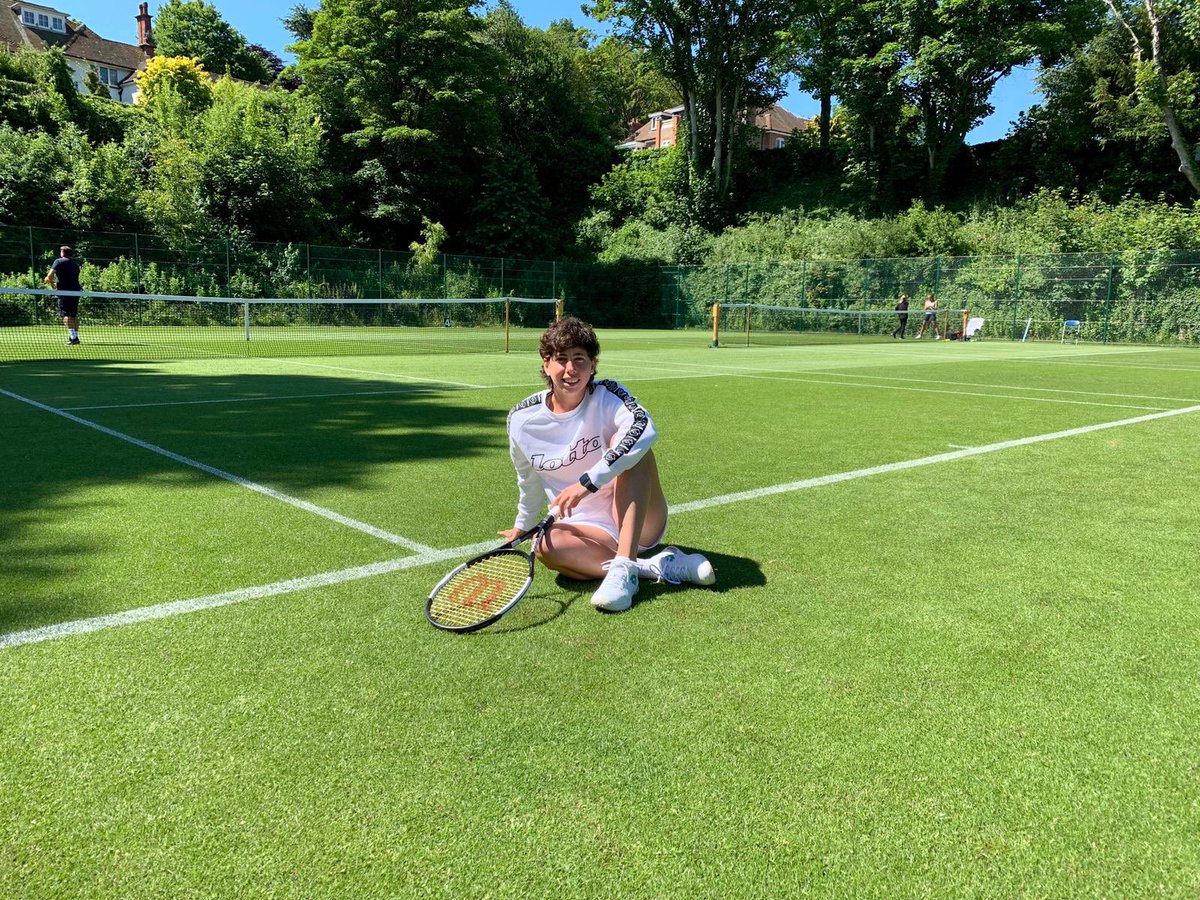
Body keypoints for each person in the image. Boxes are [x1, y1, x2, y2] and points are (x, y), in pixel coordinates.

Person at [502, 316, 715, 613]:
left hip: (637, 517)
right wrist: (521, 526)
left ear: (593, 364)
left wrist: (588, 482)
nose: (571, 370)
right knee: (544, 546)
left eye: (580, 360)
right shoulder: (522, 420)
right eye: (561, 359)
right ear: (546, 362)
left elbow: (643, 428)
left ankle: (626, 562)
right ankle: (652, 567)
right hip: (583, 530)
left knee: (634, 448)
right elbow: (527, 480)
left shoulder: (608, 395)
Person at [44, 245, 82, 345]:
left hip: (64, 293)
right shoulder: (75, 264)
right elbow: (64, 281)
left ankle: (73, 338)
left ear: (62, 253)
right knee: (73, 315)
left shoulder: (58, 261)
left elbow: (50, 275)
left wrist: (49, 279)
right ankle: (75, 337)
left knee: (66, 315)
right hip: (76, 291)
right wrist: (52, 283)